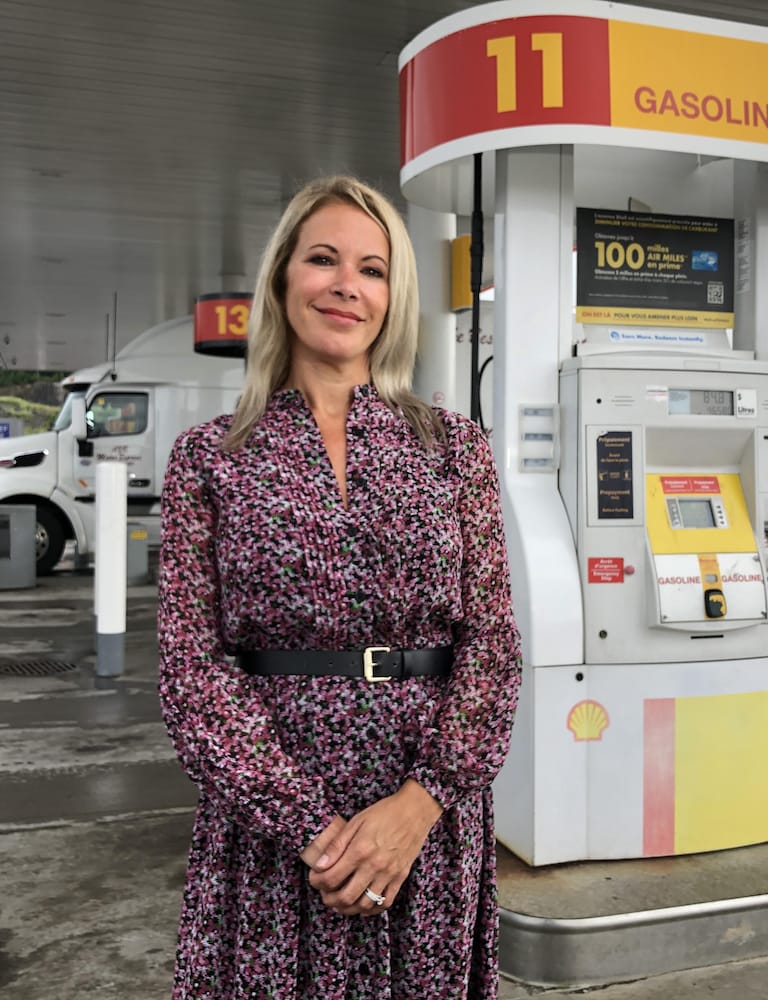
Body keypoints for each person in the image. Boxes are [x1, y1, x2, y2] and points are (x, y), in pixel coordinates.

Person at [158, 174, 522, 999]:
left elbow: (492, 648)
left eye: (373, 268)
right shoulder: (210, 457)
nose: (346, 286)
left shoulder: (453, 448)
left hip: (424, 817)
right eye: (323, 259)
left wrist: (420, 805)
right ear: (283, 276)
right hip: (270, 822)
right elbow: (191, 670)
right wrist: (314, 832)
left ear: (394, 296)